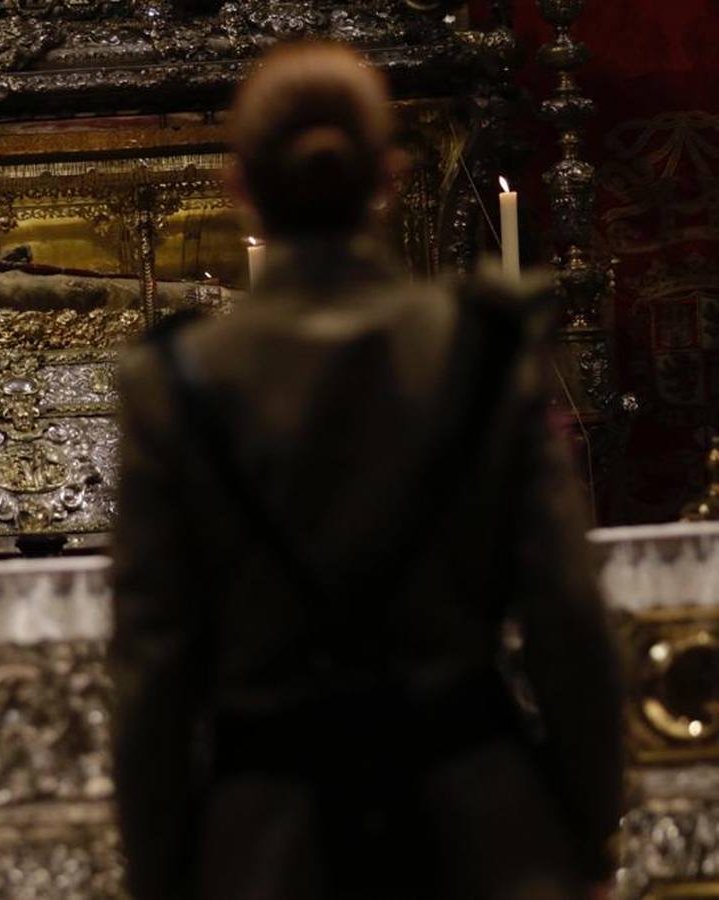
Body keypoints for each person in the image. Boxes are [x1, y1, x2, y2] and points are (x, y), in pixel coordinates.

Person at [109, 41, 624, 900]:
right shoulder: (481, 352)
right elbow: (567, 622)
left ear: (240, 186)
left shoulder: (175, 382)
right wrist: (581, 830)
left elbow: (153, 673)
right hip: (480, 823)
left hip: (266, 839)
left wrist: (165, 870)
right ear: (385, 176)